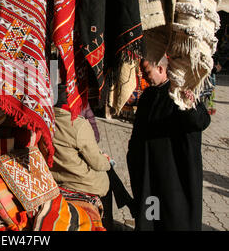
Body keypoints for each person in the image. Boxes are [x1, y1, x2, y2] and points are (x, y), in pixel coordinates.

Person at [127, 55, 211, 231]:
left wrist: (189, 106)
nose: (143, 76)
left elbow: (200, 122)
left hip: (174, 180)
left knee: (172, 221)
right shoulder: (148, 95)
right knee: (151, 218)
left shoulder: (180, 92)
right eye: (142, 72)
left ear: (160, 69)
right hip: (150, 177)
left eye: (146, 71)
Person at [49, 84, 112, 213]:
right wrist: (107, 161)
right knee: (107, 175)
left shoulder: (46, 121)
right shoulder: (78, 125)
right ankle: (109, 222)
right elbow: (98, 164)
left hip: (56, 174)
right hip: (78, 181)